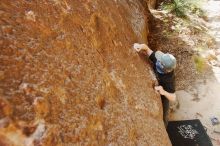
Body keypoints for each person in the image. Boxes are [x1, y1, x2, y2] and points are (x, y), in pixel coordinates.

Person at [133, 43, 177, 127]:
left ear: (165, 69)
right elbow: (147, 49)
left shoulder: (169, 80)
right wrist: (140, 46)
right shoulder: (159, 60)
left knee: (163, 118)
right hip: (160, 84)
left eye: (160, 61)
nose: (158, 60)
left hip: (165, 93)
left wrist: (163, 91)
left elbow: (173, 97)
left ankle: (164, 127)